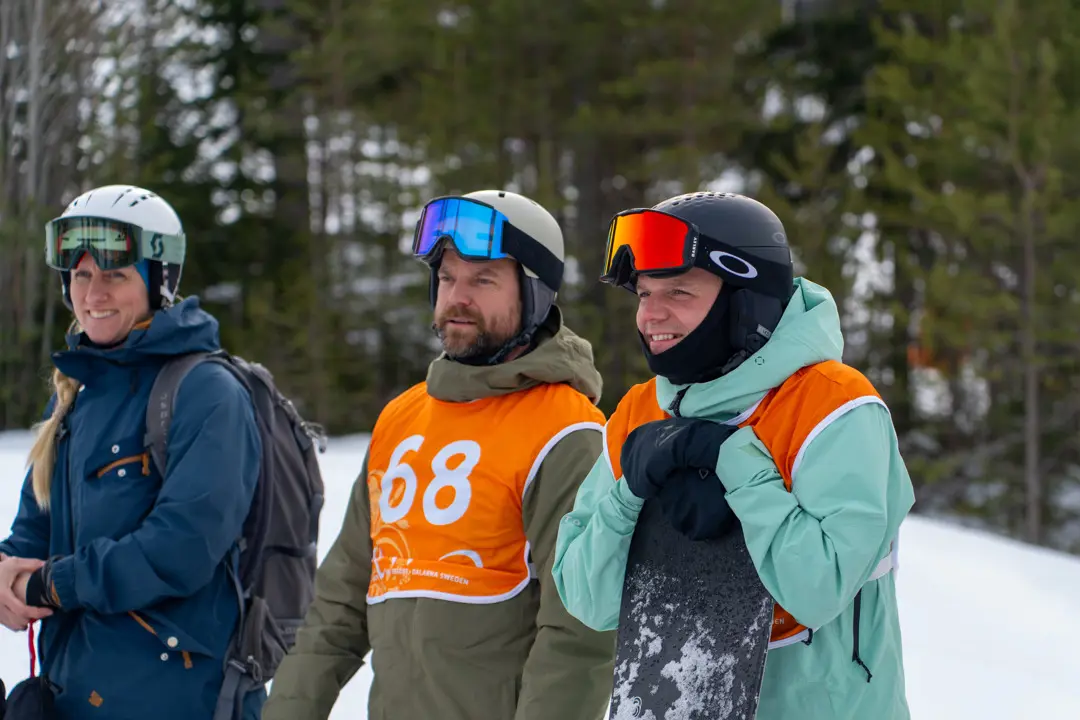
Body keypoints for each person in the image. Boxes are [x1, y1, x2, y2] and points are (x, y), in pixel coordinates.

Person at [552, 192, 915, 719]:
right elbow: (589, 599)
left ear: (746, 300)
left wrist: (736, 463)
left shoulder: (834, 408)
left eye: (678, 291)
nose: (652, 315)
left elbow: (816, 589)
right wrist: (629, 491)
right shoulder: (639, 412)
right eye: (644, 294)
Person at [263, 190, 616, 720]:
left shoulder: (566, 432)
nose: (457, 297)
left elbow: (578, 634)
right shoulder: (402, 419)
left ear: (534, 293)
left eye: (482, 280)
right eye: (448, 278)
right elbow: (341, 601)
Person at [0, 185, 265, 719]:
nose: (92, 294)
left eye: (115, 275)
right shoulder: (77, 395)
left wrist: (52, 585)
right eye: (80, 275)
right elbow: (36, 528)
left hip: (176, 701)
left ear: (159, 281)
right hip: (73, 694)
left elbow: (180, 550)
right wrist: (6, 571)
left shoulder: (207, 393)